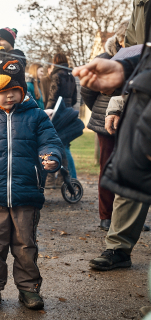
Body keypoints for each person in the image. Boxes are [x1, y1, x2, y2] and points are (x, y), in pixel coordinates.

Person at [0, 56, 63, 311]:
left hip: (26, 192)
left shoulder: (37, 116)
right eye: (1, 93)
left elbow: (50, 142)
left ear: (21, 91)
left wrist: (52, 158)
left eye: (13, 92)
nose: (7, 97)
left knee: (25, 245)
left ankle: (29, 289)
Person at [72, 6, 151, 272]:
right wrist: (123, 69)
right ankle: (118, 247)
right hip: (142, 103)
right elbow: (141, 55)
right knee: (130, 173)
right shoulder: (140, 6)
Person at [81, 21, 128, 231]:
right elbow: (87, 92)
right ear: (119, 40)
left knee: (129, 171)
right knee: (107, 168)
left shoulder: (141, 60)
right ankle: (106, 215)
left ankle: (127, 218)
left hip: (132, 122)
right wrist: (102, 110)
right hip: (106, 123)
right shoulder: (104, 59)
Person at [46, 53, 77, 179]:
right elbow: (74, 98)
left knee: (62, 145)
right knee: (65, 144)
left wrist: (47, 111)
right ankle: (65, 178)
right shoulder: (71, 76)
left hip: (57, 113)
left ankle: (72, 178)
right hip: (68, 111)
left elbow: (53, 96)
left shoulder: (57, 75)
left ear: (55, 61)